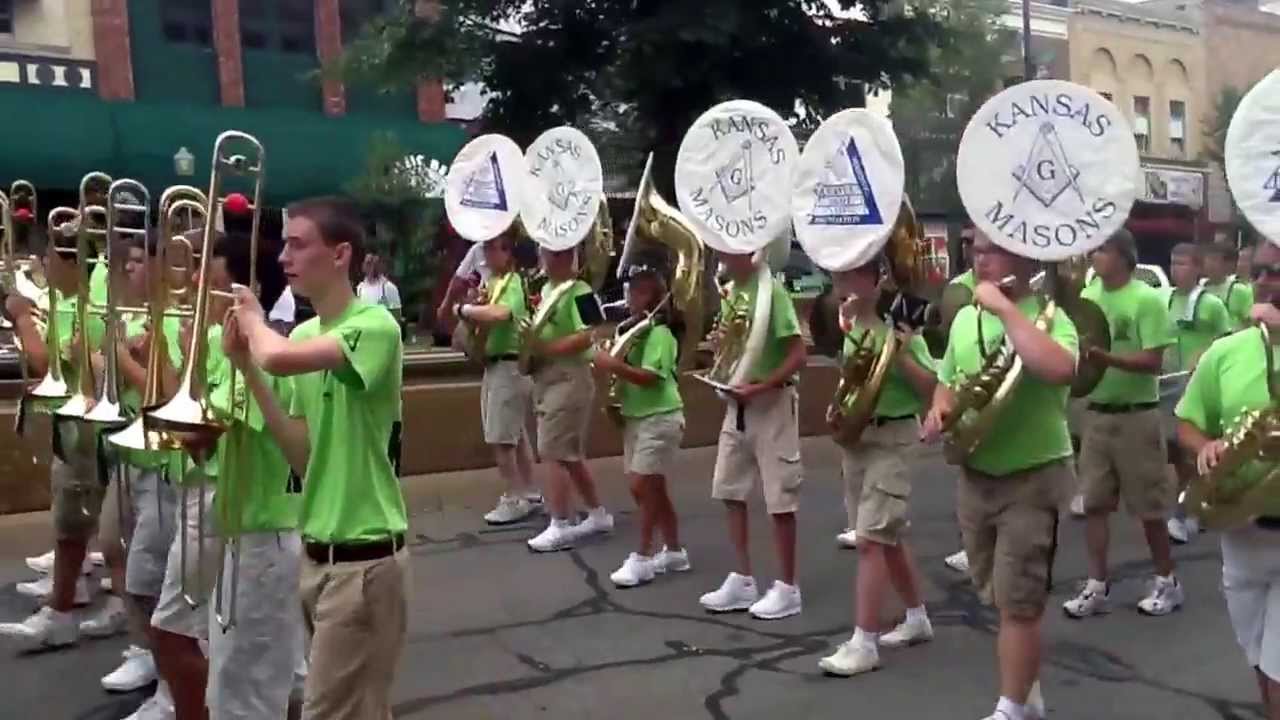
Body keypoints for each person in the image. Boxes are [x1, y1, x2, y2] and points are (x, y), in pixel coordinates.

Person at [227, 196, 408, 720]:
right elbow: (302, 454)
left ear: (340, 254)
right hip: (318, 557)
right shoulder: (305, 332)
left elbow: (278, 356)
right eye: (284, 244)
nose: (284, 257)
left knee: (325, 711)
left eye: (298, 244)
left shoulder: (375, 326)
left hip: (366, 560)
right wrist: (245, 367)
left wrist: (254, 323)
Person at [921, 231, 1078, 720]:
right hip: (977, 473)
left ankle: (1011, 708)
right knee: (995, 593)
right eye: (977, 250)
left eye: (991, 250)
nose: (979, 259)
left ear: (1023, 258)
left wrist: (1008, 312)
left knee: (1019, 603)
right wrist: (938, 413)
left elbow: (1060, 368)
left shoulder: (1050, 318)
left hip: (1033, 477)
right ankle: (1025, 693)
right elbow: (948, 382)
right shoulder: (967, 317)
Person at [1175, 241, 1280, 719]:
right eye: (1259, 271)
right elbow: (1189, 423)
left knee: (1279, 671)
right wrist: (1206, 448)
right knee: (1258, 654)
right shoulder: (1226, 352)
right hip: (1240, 532)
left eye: (1277, 272)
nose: (1265, 281)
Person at [819, 257, 936, 676]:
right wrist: (839, 409)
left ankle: (863, 643)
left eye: (852, 276)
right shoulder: (852, 327)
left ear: (875, 280)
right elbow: (852, 381)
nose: (843, 283)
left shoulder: (900, 329)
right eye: (838, 276)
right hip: (860, 439)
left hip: (895, 438)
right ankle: (917, 617)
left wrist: (900, 351)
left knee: (870, 539)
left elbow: (930, 386)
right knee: (886, 535)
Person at [207, 231, 307, 720]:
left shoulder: (266, 362)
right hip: (248, 531)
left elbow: (211, 431)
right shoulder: (238, 358)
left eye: (217, 286)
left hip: (264, 535)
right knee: (273, 676)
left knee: (242, 688)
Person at [1064, 230, 1183, 620]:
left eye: (1103, 250)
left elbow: (1152, 361)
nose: (1095, 256)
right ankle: (1096, 585)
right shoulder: (1087, 299)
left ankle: (1167, 581)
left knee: (1149, 507)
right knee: (1095, 504)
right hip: (1096, 414)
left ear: (1124, 257)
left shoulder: (1145, 299)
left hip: (1137, 416)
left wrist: (1103, 357)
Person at [0, 220, 106, 649]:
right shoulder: (65, 302)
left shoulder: (86, 308)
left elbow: (47, 365)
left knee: (76, 523)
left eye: (49, 260)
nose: (44, 267)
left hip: (85, 430)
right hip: (71, 424)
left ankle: (66, 608)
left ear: (70, 264)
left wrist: (23, 319)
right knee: (71, 524)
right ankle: (67, 598)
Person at [95, 234, 185, 699]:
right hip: (127, 454)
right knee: (113, 545)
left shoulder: (171, 321)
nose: (126, 271)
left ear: (158, 265)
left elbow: (164, 396)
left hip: (161, 461)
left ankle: (167, 674)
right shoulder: (129, 316)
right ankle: (145, 648)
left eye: (135, 262)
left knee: (150, 575)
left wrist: (123, 359)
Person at [698, 250, 808, 620]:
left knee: (780, 499)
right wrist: (719, 350)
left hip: (771, 404)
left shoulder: (771, 292)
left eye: (728, 247)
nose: (721, 253)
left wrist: (763, 386)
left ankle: (787, 587)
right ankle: (743, 579)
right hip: (737, 404)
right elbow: (733, 349)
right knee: (729, 490)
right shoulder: (734, 290)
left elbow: (798, 353)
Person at [593, 264, 690, 587]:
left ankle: (643, 557)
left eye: (635, 291)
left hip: (659, 416)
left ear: (650, 296)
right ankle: (674, 551)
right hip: (637, 416)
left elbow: (651, 377)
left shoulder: (660, 333)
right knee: (653, 488)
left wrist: (613, 366)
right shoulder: (634, 330)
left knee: (642, 485)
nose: (629, 297)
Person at [523, 245, 614, 552]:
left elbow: (590, 333)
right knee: (569, 454)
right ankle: (597, 514)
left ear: (562, 256)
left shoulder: (580, 290)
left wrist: (546, 349)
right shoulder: (547, 288)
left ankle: (560, 523)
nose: (540, 260)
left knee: (552, 452)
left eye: (544, 253)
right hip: (547, 379)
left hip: (569, 378)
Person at [455, 233, 541, 525]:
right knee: (515, 436)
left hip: (509, 365)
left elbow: (501, 313)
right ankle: (528, 492)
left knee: (501, 437)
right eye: (487, 247)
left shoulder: (513, 282)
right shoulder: (492, 284)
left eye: (494, 248)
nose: (487, 253)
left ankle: (514, 497)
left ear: (509, 255)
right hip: (495, 365)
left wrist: (465, 309)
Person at [1162, 243, 1230, 544]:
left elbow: (1228, 339)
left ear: (1198, 267)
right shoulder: (1165, 299)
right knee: (1177, 454)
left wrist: (1203, 356)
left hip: (1198, 388)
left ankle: (1184, 511)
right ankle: (1194, 505)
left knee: (1194, 453)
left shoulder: (1212, 304)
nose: (1178, 269)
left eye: (1184, 263)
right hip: (1170, 386)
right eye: (1174, 263)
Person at [1204, 242, 1256, 331]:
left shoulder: (1239, 290)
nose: (1209, 264)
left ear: (1228, 265)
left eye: (1214, 260)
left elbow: (1249, 323)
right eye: (1207, 259)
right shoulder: (1199, 287)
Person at [356, 253, 402, 321]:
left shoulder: (389, 288)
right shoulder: (360, 288)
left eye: (375, 263)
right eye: (368, 263)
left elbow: (396, 317)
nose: (372, 267)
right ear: (363, 266)